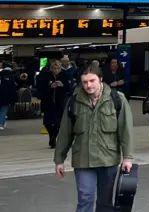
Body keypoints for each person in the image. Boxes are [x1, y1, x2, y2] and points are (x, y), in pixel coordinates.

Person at [54, 65, 134, 212]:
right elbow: (65, 133)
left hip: (108, 160)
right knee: (85, 198)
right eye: (84, 82)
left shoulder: (117, 99)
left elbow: (126, 131)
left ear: (101, 80)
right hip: (83, 159)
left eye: (92, 80)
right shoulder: (74, 102)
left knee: (105, 202)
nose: (88, 85)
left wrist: (127, 157)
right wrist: (59, 160)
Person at [36, 60, 71, 148]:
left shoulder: (64, 75)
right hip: (48, 102)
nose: (56, 70)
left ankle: (53, 138)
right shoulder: (45, 76)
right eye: (54, 68)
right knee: (47, 122)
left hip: (60, 102)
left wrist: (62, 85)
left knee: (58, 122)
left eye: (58, 68)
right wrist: (50, 87)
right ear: (51, 69)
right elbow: (41, 89)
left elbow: (69, 88)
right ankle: (51, 136)